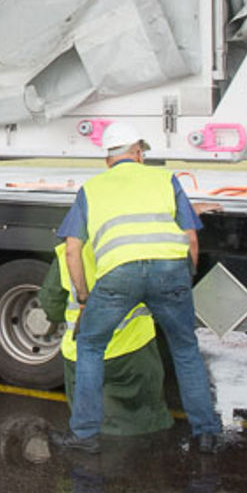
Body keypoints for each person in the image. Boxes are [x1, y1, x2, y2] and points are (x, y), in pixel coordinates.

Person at [53, 123, 221, 454]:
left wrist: (85, 298)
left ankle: (85, 436)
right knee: (185, 350)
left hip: (119, 274)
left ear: (108, 160)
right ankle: (206, 434)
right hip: (170, 271)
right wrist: (183, 280)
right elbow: (190, 238)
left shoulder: (92, 189)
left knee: (90, 346)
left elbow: (73, 249)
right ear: (139, 153)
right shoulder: (164, 179)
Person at [41, 240, 172, 436]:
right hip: (135, 348)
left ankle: (96, 449)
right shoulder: (140, 244)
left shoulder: (69, 252)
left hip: (82, 354)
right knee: (147, 418)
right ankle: (147, 452)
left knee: (90, 424)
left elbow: (51, 303)